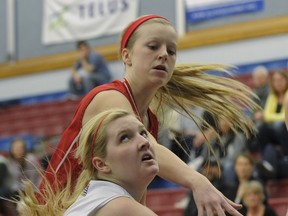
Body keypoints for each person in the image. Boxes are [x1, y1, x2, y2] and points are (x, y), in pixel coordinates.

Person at [40, 14, 259, 215]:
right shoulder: (109, 97)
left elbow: (136, 194)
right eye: (153, 46)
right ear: (127, 56)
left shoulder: (148, 120)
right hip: (52, 208)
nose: (164, 54)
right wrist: (197, 180)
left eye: (171, 51)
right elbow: (153, 149)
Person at [19, 109, 159, 215]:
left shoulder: (97, 197)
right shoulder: (121, 207)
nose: (144, 142)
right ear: (101, 164)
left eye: (143, 133)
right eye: (124, 138)